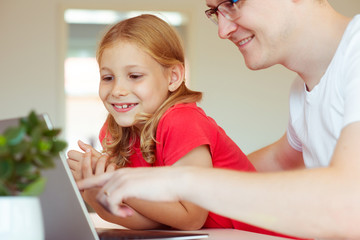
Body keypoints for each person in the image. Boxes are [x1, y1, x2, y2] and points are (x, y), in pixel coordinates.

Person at [77, 0, 360, 239]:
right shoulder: (302, 91)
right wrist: (106, 188)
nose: (222, 31)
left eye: (234, 1)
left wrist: (179, 182)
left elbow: (349, 202)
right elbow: (280, 161)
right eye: (215, 13)